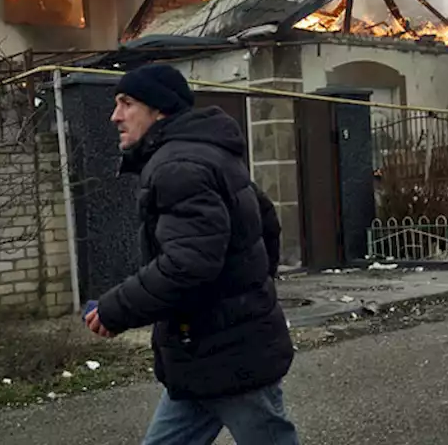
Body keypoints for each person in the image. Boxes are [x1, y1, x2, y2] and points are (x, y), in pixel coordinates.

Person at [83, 63, 299, 445]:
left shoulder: (178, 166)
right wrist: (252, 290)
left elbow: (186, 265)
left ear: (160, 109)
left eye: (126, 102)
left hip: (229, 354)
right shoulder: (207, 153)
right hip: (202, 351)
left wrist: (116, 308)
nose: (115, 115)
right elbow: (266, 224)